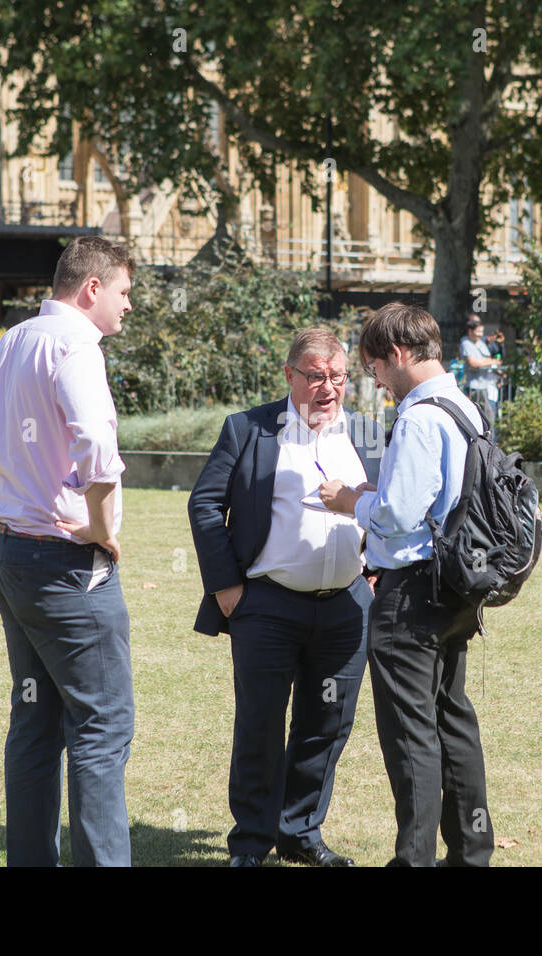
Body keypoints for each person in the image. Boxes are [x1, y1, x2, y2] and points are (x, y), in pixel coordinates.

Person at [0, 236, 135, 866]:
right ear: (92, 288)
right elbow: (97, 448)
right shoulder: (76, 345)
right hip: (62, 565)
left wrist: (8, 502)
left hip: (7, 554)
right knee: (102, 727)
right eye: (123, 293)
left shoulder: (12, 341)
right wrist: (99, 527)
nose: (127, 307)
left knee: (36, 722)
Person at [188, 328, 386, 867]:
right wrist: (228, 588)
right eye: (315, 375)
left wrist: (374, 576)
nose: (327, 387)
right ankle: (250, 842)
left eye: (338, 376)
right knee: (260, 724)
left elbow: (393, 510)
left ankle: (301, 833)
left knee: (327, 725)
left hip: (346, 608)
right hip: (267, 607)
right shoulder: (248, 430)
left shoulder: (368, 436)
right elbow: (205, 505)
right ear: (289, 375)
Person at [319, 302, 495, 867]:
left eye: (373, 369)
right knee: (452, 720)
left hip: (412, 591)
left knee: (410, 735)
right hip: (459, 586)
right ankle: (469, 853)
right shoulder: (465, 404)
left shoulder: (420, 415)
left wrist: (350, 499)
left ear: (395, 355)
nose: (377, 383)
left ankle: (413, 859)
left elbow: (396, 515)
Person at [459, 316, 502, 428]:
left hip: (484, 386)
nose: (480, 335)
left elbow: (488, 359)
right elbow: (473, 364)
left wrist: (484, 361)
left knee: (489, 418)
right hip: (474, 388)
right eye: (478, 332)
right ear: (470, 331)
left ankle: (488, 442)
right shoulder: (465, 343)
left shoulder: (481, 343)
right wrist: (488, 361)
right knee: (483, 417)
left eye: (481, 332)